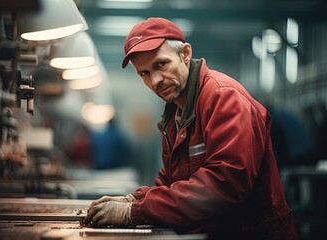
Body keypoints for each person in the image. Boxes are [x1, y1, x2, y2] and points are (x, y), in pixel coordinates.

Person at [84, 17, 298, 239]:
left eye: (161, 64)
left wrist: (135, 211)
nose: (155, 81)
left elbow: (224, 185)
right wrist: (136, 198)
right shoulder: (175, 112)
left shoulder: (224, 99)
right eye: (144, 73)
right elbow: (171, 183)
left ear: (185, 54)